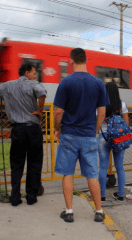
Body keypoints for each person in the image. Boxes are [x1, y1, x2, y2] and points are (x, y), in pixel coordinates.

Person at [54, 48, 109, 223]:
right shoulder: (98, 83)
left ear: (71, 61)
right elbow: (102, 111)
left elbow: (58, 111)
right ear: (86, 60)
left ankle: (69, 212)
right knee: (92, 174)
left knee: (68, 174)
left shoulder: (66, 82)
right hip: (88, 135)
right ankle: (99, 211)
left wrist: (57, 128)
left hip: (69, 134)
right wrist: (96, 129)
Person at [0, 62, 46, 207]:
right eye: (34, 72)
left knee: (16, 164)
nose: (34, 75)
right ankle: (31, 197)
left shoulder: (7, 86)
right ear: (27, 72)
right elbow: (42, 93)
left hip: (17, 130)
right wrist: (40, 111)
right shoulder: (33, 84)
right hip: (33, 130)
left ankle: (15, 197)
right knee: (34, 163)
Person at [98, 82, 129, 204]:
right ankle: (120, 195)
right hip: (118, 138)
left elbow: (98, 121)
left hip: (103, 138)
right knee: (120, 167)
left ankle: (102, 196)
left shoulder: (101, 103)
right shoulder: (122, 105)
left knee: (103, 167)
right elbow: (126, 123)